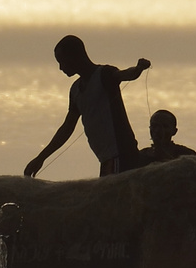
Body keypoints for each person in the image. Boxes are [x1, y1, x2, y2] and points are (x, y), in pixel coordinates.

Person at [24, 35, 150, 177]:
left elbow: (124, 74)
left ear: (74, 56)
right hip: (105, 159)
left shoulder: (104, 74)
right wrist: (41, 158)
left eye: (62, 61)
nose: (60, 68)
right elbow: (67, 128)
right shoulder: (76, 89)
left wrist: (138, 69)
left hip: (123, 155)